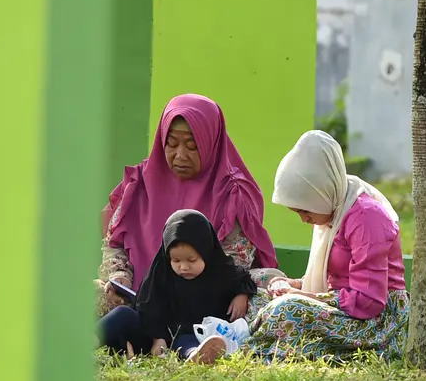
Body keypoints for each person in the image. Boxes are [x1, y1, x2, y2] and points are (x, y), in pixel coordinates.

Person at [226, 130, 409, 363]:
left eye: (305, 210)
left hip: (376, 322)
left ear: (322, 192)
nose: (304, 219)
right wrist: (295, 284)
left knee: (288, 309)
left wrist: (303, 295)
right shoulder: (332, 212)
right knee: (257, 298)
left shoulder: (367, 218)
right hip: (342, 306)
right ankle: (238, 339)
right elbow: (332, 278)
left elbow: (369, 302)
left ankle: (236, 345)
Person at [95, 94, 284, 316]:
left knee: (270, 284)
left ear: (211, 143)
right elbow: (114, 242)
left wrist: (187, 285)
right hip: (139, 297)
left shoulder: (232, 192)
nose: (180, 155)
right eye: (172, 144)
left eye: (193, 146)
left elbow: (235, 261)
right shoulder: (139, 183)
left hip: (205, 296)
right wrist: (119, 277)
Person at [98, 209, 257, 363]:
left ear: (207, 251)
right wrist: (158, 338)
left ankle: (197, 356)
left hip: (192, 333)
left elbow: (243, 278)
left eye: (192, 260)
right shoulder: (161, 273)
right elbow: (149, 307)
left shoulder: (221, 270)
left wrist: (241, 295)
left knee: (189, 339)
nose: (183, 267)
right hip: (155, 335)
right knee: (122, 314)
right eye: (176, 261)